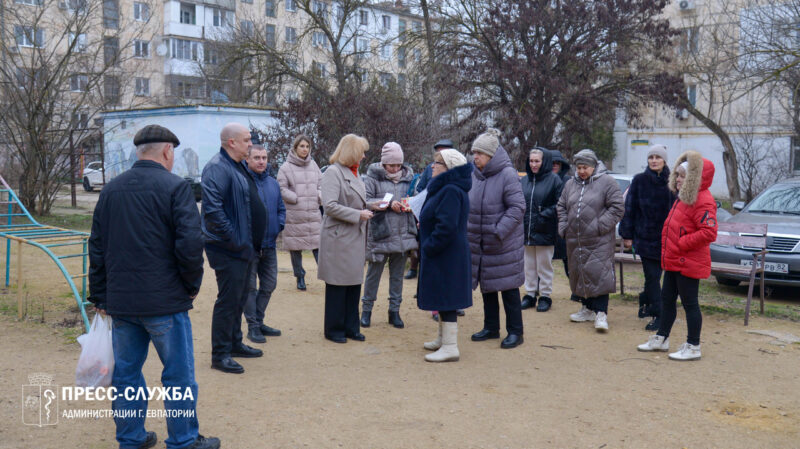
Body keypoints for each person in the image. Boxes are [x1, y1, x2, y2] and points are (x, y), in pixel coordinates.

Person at [88, 125, 220, 449]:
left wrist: (101, 295)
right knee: (178, 376)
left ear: (138, 152)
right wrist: (191, 286)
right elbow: (190, 245)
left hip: (122, 304)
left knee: (126, 376)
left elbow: (97, 247)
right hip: (165, 303)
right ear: (167, 152)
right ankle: (184, 440)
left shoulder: (110, 190)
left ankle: (131, 439)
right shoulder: (176, 188)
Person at [638, 151, 717, 361]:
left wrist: (682, 243)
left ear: (694, 177)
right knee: (667, 299)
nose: (678, 179)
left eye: (683, 176)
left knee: (690, 304)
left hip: (688, 261)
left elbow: (709, 232)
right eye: (678, 175)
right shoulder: (683, 197)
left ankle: (693, 345)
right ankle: (662, 338)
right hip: (674, 260)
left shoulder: (704, 200)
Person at [202, 123, 265, 374]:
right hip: (228, 249)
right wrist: (234, 238)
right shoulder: (217, 167)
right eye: (247, 140)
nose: (251, 144)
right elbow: (213, 210)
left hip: (244, 247)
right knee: (228, 301)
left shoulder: (236, 166)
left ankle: (235, 343)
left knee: (239, 298)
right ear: (232, 143)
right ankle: (220, 354)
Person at [468, 129, 526, 349]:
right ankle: (491, 327)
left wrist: (498, 230)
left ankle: (516, 332)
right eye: (474, 152)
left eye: (480, 153)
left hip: (502, 243)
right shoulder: (475, 175)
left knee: (509, 289)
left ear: (491, 155)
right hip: (481, 244)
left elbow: (518, 207)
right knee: (488, 287)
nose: (475, 157)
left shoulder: (508, 175)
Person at [557, 149, 624, 331]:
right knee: (579, 272)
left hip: (599, 240)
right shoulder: (571, 184)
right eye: (578, 167)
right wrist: (563, 227)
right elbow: (561, 206)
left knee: (598, 274)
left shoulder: (607, 182)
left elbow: (617, 208)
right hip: (575, 239)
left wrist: (599, 226)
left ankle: (601, 313)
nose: (581, 171)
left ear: (594, 166)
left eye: (585, 167)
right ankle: (586, 308)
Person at [418, 149, 473, 362]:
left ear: (449, 168)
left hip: (446, 253)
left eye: (438, 163)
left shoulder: (450, 190)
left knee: (447, 297)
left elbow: (447, 226)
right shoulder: (446, 188)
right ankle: (442, 339)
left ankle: (451, 347)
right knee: (441, 295)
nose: (433, 166)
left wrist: (430, 246)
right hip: (444, 252)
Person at [318, 134, 373, 343]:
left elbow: (357, 201)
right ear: (352, 153)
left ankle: (351, 327)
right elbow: (329, 206)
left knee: (353, 285)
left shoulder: (355, 173)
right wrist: (358, 214)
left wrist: (372, 206)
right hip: (339, 237)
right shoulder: (333, 173)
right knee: (338, 285)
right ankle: (334, 329)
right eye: (362, 152)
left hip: (353, 236)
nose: (365, 156)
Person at [360, 142, 418, 329]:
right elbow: (366, 201)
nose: (395, 169)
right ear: (383, 164)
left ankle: (394, 312)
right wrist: (388, 203)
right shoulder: (372, 178)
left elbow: (416, 199)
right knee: (373, 274)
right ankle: (366, 311)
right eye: (391, 165)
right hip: (381, 233)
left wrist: (410, 204)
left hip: (403, 233)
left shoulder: (409, 179)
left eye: (398, 165)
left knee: (397, 276)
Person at [619, 144, 675, 331]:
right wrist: (627, 235)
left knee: (657, 278)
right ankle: (659, 316)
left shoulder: (673, 181)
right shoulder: (639, 180)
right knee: (652, 277)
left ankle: (646, 301)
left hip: (668, 240)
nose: (654, 161)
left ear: (664, 160)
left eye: (658, 157)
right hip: (645, 238)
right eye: (651, 157)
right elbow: (630, 209)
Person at [243, 144, 286, 343]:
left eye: (264, 158)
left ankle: (259, 321)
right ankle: (252, 327)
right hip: (250, 246)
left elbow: (281, 209)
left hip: (270, 244)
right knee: (250, 288)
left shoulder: (273, 183)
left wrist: (279, 225)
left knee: (269, 285)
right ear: (248, 159)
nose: (261, 161)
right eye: (257, 158)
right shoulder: (243, 182)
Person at [520, 147, 563, 312]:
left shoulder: (554, 180)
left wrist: (544, 214)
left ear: (544, 161)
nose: (533, 164)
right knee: (528, 265)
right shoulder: (524, 180)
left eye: (537, 161)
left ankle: (545, 295)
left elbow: (560, 204)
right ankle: (530, 294)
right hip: (527, 229)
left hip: (545, 228)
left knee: (544, 265)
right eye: (531, 161)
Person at [405, 138, 455, 279]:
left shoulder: (456, 170)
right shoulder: (429, 168)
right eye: (438, 151)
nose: (440, 153)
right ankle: (417, 271)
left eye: (444, 150)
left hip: (444, 215)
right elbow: (421, 188)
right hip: (427, 210)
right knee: (421, 243)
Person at [277, 134, 322, 291]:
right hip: (295, 215)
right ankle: (299, 276)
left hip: (314, 214)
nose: (305, 149)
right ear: (295, 148)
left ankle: (327, 276)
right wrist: (295, 198)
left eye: (307, 146)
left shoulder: (314, 165)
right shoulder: (285, 168)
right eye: (302, 146)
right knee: (296, 249)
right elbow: (281, 188)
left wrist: (319, 195)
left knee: (319, 247)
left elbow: (322, 184)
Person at [549, 150, 571, 277]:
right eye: (552, 163)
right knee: (541, 264)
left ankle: (577, 291)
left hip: (564, 228)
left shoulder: (569, 182)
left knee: (570, 262)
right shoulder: (541, 181)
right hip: (546, 227)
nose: (554, 165)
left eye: (557, 163)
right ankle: (536, 291)